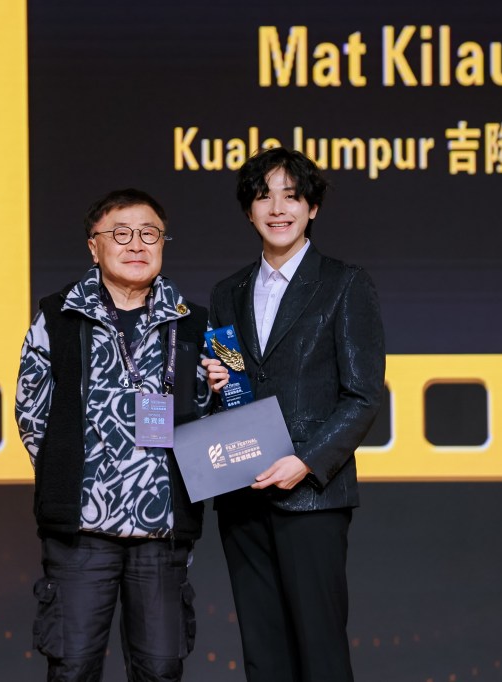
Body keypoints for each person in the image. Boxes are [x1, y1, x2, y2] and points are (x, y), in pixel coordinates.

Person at [202, 148, 385, 681]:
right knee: (263, 654)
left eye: (291, 196)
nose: (278, 208)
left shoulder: (345, 284)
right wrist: (215, 385)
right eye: (264, 197)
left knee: (319, 653)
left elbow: (363, 396)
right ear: (249, 210)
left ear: (312, 207)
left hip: (311, 496)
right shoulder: (227, 293)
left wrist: (304, 462)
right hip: (243, 494)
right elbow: (233, 391)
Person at [15, 188, 211, 681]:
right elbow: (31, 412)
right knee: (74, 668)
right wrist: (70, 472)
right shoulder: (57, 317)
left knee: (160, 670)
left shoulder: (198, 323)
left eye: (149, 234)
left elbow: (218, 416)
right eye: (121, 234)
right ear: (94, 246)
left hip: (162, 528)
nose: (136, 244)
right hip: (81, 530)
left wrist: (220, 388)